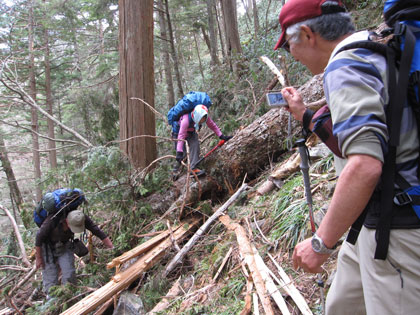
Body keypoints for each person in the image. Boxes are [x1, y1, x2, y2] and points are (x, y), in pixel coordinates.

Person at [274, 0, 420, 314]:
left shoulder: (345, 67)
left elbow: (365, 165)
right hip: (370, 220)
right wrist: (304, 114)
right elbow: (365, 137)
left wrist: (321, 243)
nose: (293, 55)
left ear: (309, 35)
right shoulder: (374, 49)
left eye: (288, 46)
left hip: (396, 229)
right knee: (342, 306)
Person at [35, 209, 113, 296]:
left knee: (69, 273)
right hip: (47, 247)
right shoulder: (51, 221)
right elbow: (38, 238)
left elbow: (96, 230)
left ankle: (68, 295)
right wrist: (39, 258)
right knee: (51, 277)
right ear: (67, 222)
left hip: (65, 245)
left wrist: (111, 246)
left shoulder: (81, 218)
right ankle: (52, 301)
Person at [174, 104, 232, 176]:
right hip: (178, 134)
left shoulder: (203, 116)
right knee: (182, 155)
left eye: (203, 120)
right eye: (201, 120)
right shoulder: (185, 120)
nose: (202, 122)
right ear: (197, 117)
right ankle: (176, 171)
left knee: (195, 146)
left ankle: (193, 169)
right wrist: (179, 151)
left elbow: (212, 125)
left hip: (191, 133)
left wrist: (221, 136)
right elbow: (181, 136)